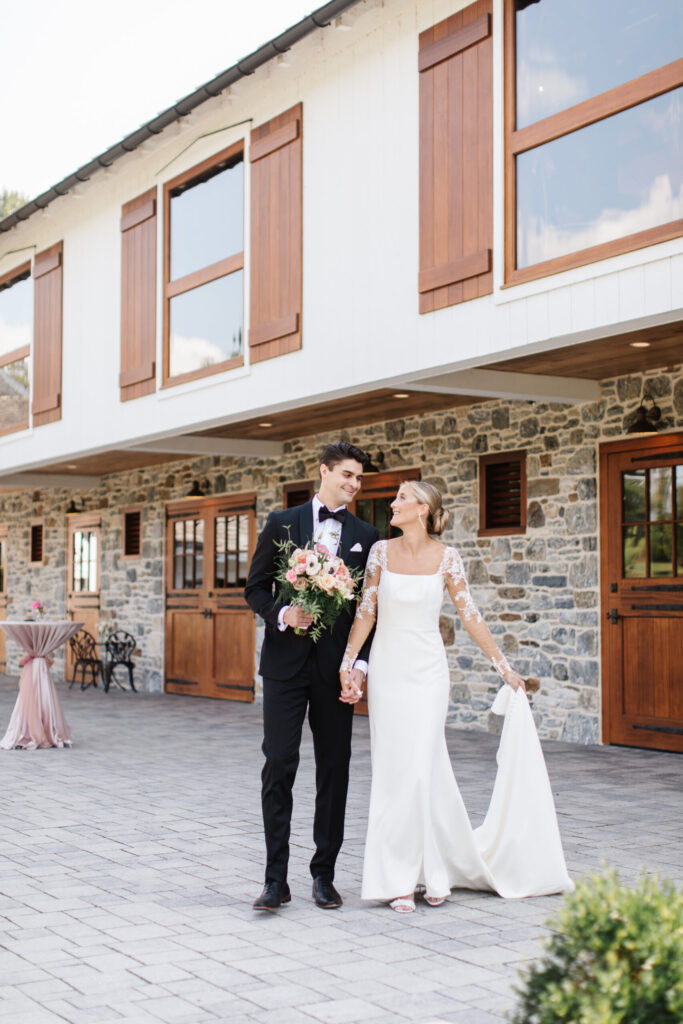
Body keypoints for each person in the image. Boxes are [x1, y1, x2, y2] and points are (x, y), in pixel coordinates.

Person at [340, 480, 573, 912]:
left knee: (421, 767)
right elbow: (366, 612)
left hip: (429, 672)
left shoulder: (448, 558)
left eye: (402, 497)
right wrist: (349, 662)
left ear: (423, 509)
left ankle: (433, 870)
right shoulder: (380, 553)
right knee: (396, 769)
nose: (393, 503)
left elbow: (471, 617)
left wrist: (505, 669)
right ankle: (403, 877)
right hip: (389, 670)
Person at [245, 441, 380, 912]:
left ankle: (324, 875)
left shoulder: (367, 535)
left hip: (334, 671)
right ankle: (274, 880)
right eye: (347, 474)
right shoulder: (281, 523)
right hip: (284, 667)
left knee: (334, 769)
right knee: (279, 764)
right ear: (323, 471)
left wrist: (358, 666)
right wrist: (283, 614)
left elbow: (369, 610)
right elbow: (255, 589)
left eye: (359, 478)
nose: (354, 484)